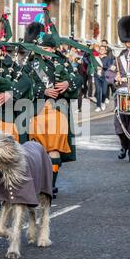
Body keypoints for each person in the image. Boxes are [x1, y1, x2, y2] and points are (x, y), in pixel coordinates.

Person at [0, 34, 32, 214]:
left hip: (8, 116)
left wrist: (11, 93)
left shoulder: (11, 66)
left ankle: (5, 194)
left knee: (4, 157)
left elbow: (26, 82)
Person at [28, 33, 83, 198]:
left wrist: (67, 83)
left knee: (54, 147)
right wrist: (42, 90)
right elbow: (24, 84)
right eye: (40, 48)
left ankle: (50, 185)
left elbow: (78, 78)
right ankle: (39, 183)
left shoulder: (62, 62)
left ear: (53, 49)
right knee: (36, 149)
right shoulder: (30, 64)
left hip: (57, 109)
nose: (42, 51)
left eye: (46, 48)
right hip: (35, 110)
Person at [108, 16, 130, 162]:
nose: (128, 44)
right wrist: (115, 77)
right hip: (121, 94)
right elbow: (109, 73)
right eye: (126, 41)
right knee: (119, 124)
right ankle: (123, 145)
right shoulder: (118, 57)